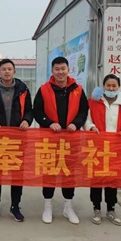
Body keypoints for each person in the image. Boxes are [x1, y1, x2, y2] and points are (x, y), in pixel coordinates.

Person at [34, 56, 89, 225]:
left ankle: (68, 206)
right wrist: (49, 123)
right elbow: (37, 111)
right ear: (52, 71)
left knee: (69, 172)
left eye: (63, 68)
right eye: (57, 69)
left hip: (71, 139)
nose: (60, 72)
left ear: (68, 70)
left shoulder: (78, 89)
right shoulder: (44, 89)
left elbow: (83, 111)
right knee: (49, 172)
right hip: (49, 139)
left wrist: (76, 123)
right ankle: (48, 205)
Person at [0, 58, 33, 222]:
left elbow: (29, 110)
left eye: (9, 69)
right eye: (3, 69)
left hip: (17, 138)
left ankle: (15, 206)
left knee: (17, 173)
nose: (7, 72)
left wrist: (26, 120)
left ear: (14, 71)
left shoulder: (23, 89)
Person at [85, 74, 121, 226]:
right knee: (96, 178)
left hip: (115, 147)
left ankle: (111, 209)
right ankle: (96, 208)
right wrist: (90, 127)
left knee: (112, 179)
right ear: (103, 86)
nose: (111, 88)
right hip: (97, 146)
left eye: (114, 86)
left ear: (119, 87)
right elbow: (87, 119)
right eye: (108, 85)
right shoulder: (94, 102)